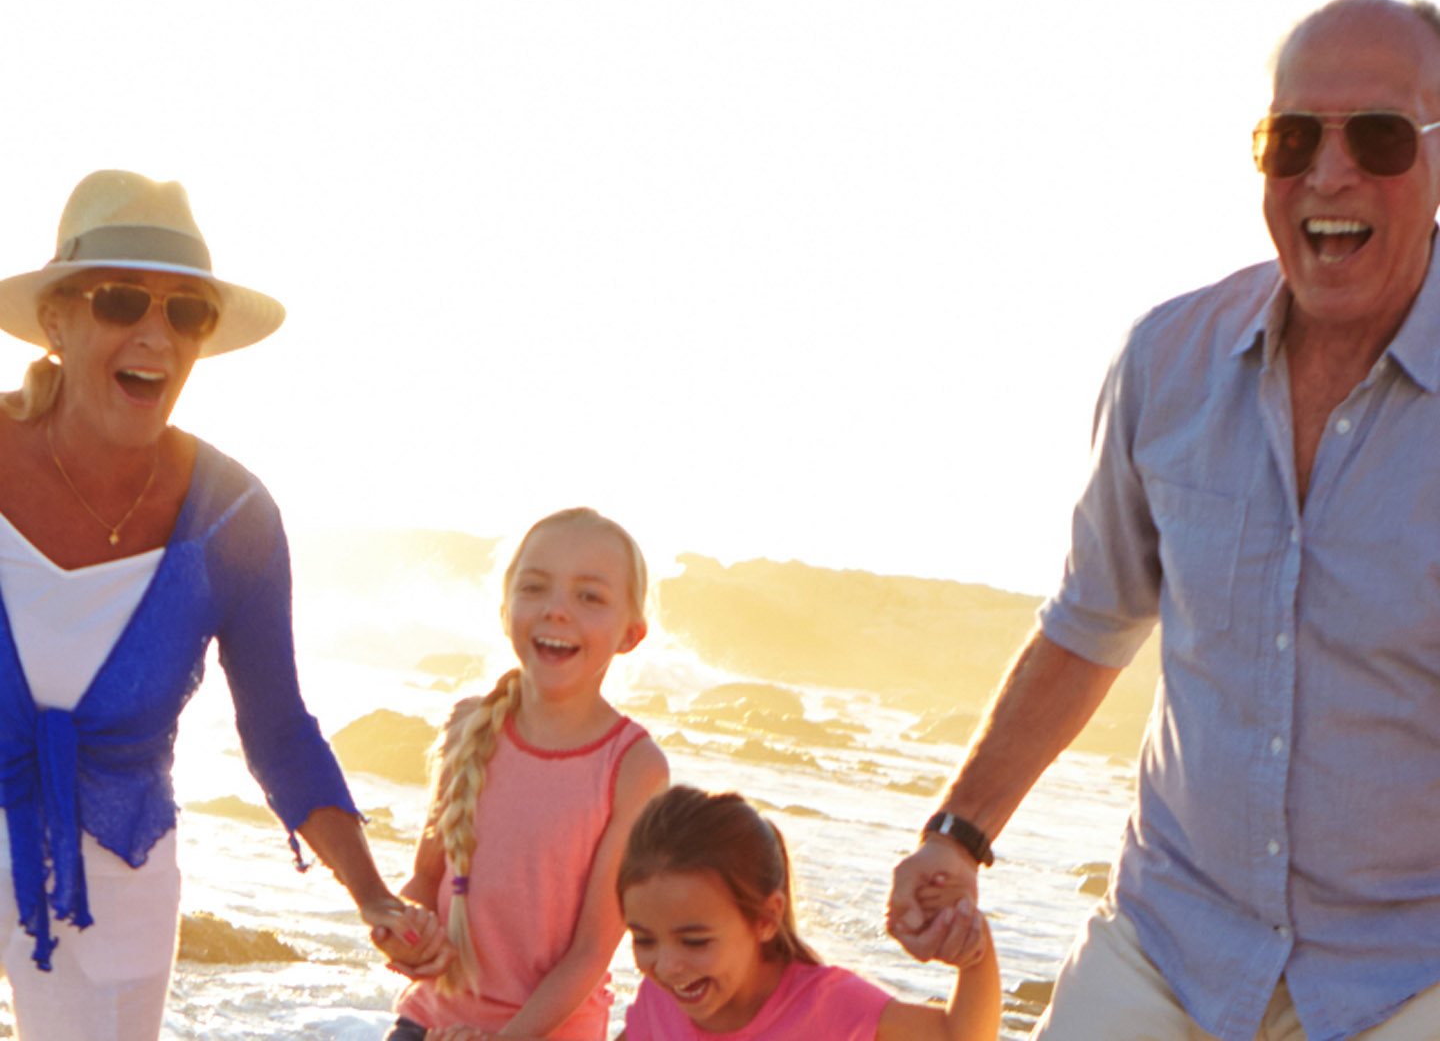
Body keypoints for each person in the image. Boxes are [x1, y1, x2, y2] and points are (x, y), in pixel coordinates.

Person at [886, 0, 1440, 1041]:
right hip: (1175, 939)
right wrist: (957, 835)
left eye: (1378, 138)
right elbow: (1089, 624)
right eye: (1292, 139)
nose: (1328, 174)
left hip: (1411, 972)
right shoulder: (1168, 363)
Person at [0, 170, 448, 1040]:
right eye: (123, 299)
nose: (154, 334)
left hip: (117, 868)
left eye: (185, 312)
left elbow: (277, 730)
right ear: (56, 320)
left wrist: (371, 894)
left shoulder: (235, 520)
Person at [387, 507, 671, 1041]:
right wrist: (406, 932)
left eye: (589, 596)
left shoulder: (634, 765)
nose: (557, 610)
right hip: (427, 1026)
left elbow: (591, 951)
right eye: (535, 587)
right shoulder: (469, 726)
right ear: (504, 609)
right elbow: (425, 882)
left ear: (631, 633)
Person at [613, 785, 999, 1041]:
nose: (666, 966)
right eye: (644, 939)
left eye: (694, 941)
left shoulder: (827, 1005)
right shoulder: (659, 1001)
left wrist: (974, 954)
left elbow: (959, 1036)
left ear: (766, 919)